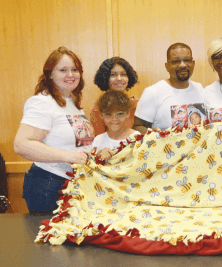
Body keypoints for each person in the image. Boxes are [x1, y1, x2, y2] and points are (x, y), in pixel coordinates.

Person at [14, 47, 93, 213]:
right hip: (48, 185)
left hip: (73, 183)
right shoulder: (42, 102)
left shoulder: (72, 102)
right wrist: (67, 156)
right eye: (63, 70)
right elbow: (21, 145)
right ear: (50, 75)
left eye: (74, 69)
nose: (70, 75)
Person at [133, 43, 205, 133]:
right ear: (167, 66)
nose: (182, 65)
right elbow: (137, 126)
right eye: (176, 61)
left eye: (187, 60)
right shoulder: (152, 92)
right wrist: (154, 135)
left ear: (193, 63)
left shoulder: (199, 88)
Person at [91, 57, 139, 136]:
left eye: (123, 74)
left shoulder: (137, 104)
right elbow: (98, 140)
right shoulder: (99, 107)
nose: (119, 78)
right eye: (113, 75)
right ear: (105, 78)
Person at [92, 90, 140, 161]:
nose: (114, 119)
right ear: (101, 115)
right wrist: (98, 156)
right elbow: (91, 165)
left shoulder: (137, 137)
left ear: (128, 113)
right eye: (109, 114)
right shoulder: (98, 140)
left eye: (120, 114)